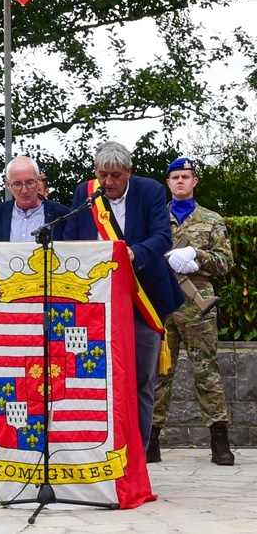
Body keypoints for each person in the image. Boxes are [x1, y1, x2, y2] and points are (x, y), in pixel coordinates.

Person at [62, 140, 182, 449]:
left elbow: (162, 237)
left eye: (116, 175)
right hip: (95, 302)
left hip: (143, 299)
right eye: (103, 175)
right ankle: (100, 448)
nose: (109, 182)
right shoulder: (85, 193)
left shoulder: (151, 191)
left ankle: (139, 453)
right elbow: (71, 239)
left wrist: (132, 252)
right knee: (96, 378)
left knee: (142, 380)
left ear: (128, 171)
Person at [148, 156, 235, 466]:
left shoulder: (211, 220)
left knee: (207, 372)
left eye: (186, 176)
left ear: (195, 181)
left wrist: (197, 256)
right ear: (168, 183)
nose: (180, 182)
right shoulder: (156, 219)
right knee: (159, 372)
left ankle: (219, 440)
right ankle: (151, 438)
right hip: (162, 301)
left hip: (198, 302)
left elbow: (225, 263)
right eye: (175, 178)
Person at [0, 156, 70, 242]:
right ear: (8, 185)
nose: (24, 190)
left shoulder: (61, 214)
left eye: (29, 183)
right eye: (17, 184)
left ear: (39, 181)